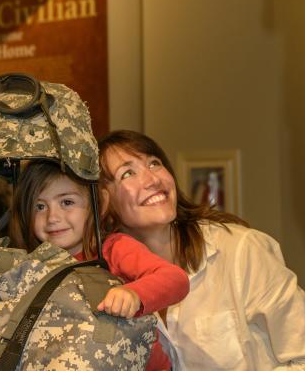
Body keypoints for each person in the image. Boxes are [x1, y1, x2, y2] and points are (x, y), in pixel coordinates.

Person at [99, 130, 305, 371]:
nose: (153, 179)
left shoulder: (241, 251)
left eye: (154, 163)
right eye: (128, 173)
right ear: (102, 201)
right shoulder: (100, 284)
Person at [11, 159, 189, 371]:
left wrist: (134, 294)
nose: (52, 217)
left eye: (67, 202)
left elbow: (175, 278)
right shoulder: (29, 262)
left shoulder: (112, 249)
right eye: (40, 206)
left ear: (99, 204)